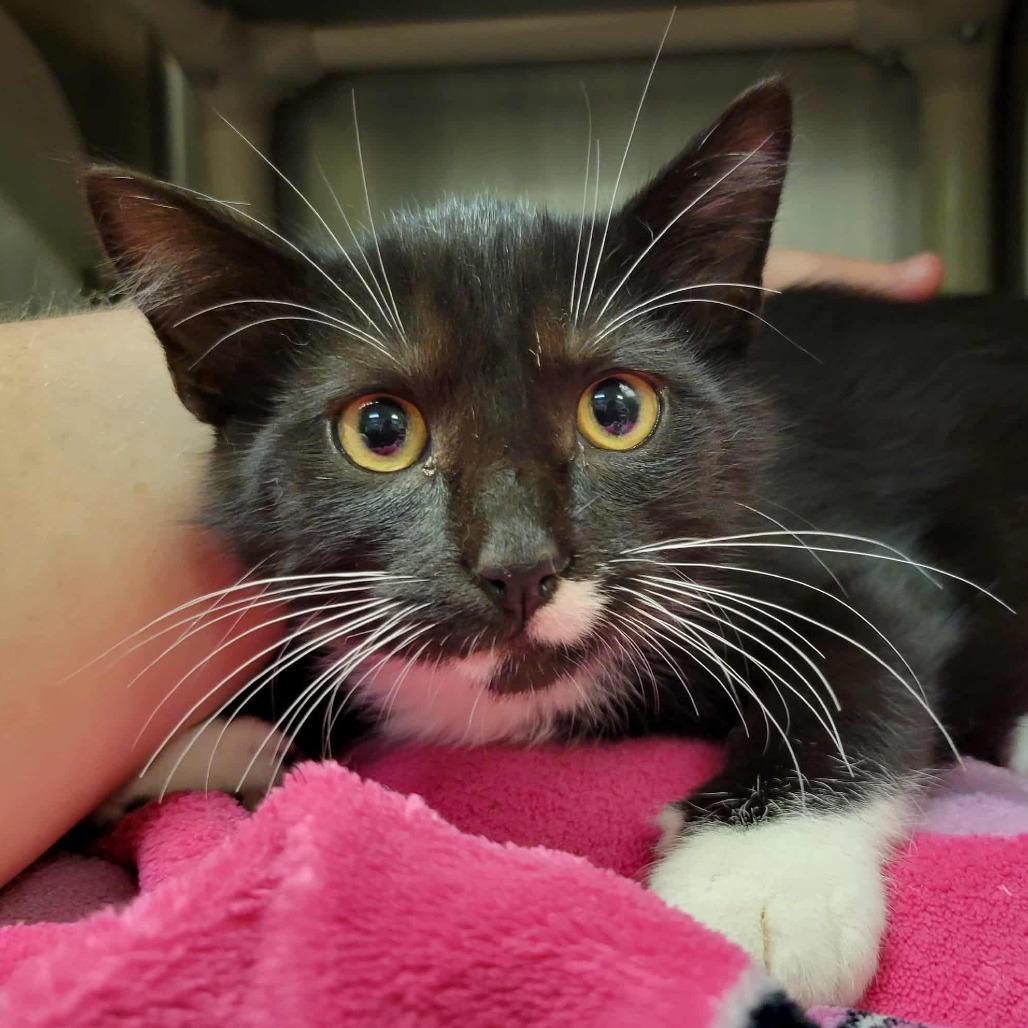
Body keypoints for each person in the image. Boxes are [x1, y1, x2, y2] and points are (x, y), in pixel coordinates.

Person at [0, 250, 944, 886]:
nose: (516, 557)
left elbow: (878, 607)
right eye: (382, 432)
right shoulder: (294, 623)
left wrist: (780, 829)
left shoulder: (711, 550)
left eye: (614, 410)